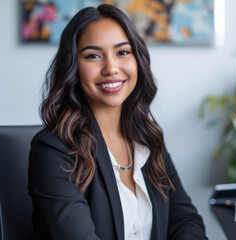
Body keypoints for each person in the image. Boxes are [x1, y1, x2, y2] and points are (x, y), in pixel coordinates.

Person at [28, 4, 208, 240]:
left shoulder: (148, 138)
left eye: (122, 52)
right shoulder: (54, 150)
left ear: (137, 60)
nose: (111, 68)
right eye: (93, 56)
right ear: (73, 67)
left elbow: (184, 219)